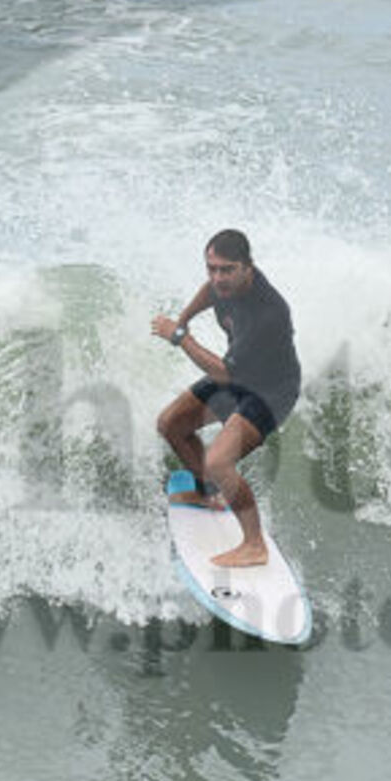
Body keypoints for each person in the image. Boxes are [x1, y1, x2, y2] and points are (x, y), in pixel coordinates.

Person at [151, 229, 302, 568]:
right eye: (212, 268)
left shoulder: (269, 313)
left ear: (248, 267)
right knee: (170, 424)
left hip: (271, 391)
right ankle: (208, 493)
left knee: (219, 461)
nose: (218, 277)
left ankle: (254, 545)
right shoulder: (222, 286)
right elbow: (209, 293)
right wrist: (184, 319)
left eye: (227, 269)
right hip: (239, 376)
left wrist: (180, 337)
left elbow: (223, 375)